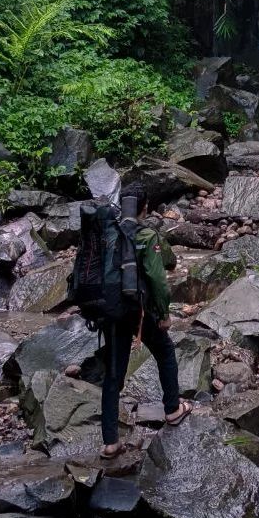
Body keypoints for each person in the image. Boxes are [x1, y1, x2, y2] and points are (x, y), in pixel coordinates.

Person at [100, 180, 191, 457]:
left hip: (112, 311)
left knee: (113, 374)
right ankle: (173, 409)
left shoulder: (108, 233)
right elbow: (158, 281)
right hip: (140, 312)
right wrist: (164, 314)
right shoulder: (145, 235)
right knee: (165, 351)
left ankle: (110, 442)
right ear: (145, 208)